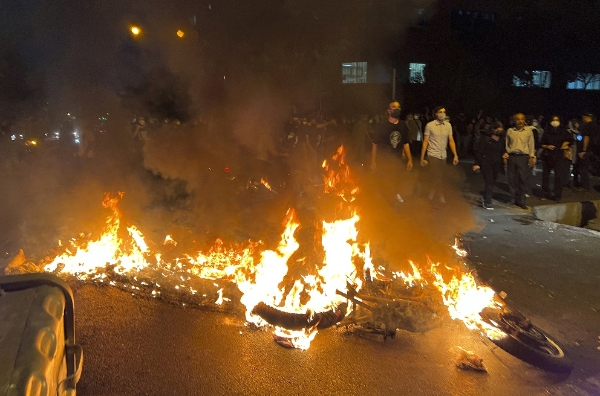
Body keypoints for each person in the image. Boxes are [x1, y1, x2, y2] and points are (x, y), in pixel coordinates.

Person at [370, 101, 413, 204]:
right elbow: (375, 144)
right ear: (389, 111)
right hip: (384, 158)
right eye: (394, 107)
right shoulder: (382, 125)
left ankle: (394, 197)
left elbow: (406, 143)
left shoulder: (403, 125)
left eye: (398, 107)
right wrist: (373, 162)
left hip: (397, 158)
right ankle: (385, 202)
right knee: (385, 180)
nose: (397, 109)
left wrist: (409, 159)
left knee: (397, 178)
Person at [420, 106, 459, 205]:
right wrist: (422, 157)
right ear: (436, 114)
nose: (443, 113)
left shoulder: (448, 125)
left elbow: (451, 141)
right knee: (437, 175)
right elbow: (425, 142)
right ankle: (437, 195)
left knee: (440, 176)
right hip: (433, 154)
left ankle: (432, 194)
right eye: (440, 112)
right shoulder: (430, 125)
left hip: (443, 155)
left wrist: (455, 155)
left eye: (444, 112)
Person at [503, 113, 536, 209]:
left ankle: (521, 201)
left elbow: (531, 144)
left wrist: (532, 156)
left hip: (523, 157)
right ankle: (513, 198)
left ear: (524, 120)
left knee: (522, 179)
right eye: (517, 119)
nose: (519, 121)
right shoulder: (510, 131)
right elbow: (506, 144)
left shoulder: (529, 131)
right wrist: (505, 155)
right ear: (514, 120)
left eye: (521, 119)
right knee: (511, 178)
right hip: (512, 157)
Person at [473, 121, 506, 209]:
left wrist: (505, 154)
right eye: (498, 129)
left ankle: (486, 197)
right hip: (486, 163)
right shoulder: (485, 138)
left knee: (492, 181)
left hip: (497, 163)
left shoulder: (502, 139)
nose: (500, 131)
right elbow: (480, 151)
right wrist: (477, 163)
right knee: (489, 181)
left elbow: (502, 150)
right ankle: (488, 201)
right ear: (493, 129)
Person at [539, 116, 572, 202]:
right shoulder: (547, 131)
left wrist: (566, 145)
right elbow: (541, 144)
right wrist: (547, 146)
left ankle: (557, 195)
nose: (555, 122)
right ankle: (546, 192)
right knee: (545, 176)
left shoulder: (564, 131)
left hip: (559, 156)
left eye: (557, 120)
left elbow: (570, 140)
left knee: (559, 176)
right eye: (553, 120)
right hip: (547, 155)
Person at [577, 112, 600, 191]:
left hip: (587, 150)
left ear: (586, 117)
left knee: (583, 168)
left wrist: (583, 150)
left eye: (583, 117)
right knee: (590, 168)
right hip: (594, 150)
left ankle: (585, 186)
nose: (583, 119)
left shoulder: (587, 126)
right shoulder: (596, 126)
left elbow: (586, 138)